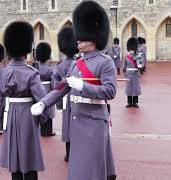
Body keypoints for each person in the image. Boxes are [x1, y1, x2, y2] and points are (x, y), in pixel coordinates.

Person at [31, 1, 117, 180]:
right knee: (78, 168)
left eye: (82, 37)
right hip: (77, 122)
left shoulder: (105, 62)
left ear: (92, 39)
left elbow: (110, 91)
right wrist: (43, 103)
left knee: (93, 169)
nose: (77, 40)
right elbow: (61, 88)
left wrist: (83, 86)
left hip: (94, 122)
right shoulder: (77, 64)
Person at [0, 21, 47, 180]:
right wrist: (42, 120)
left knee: (14, 157)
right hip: (28, 116)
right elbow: (42, 100)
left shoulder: (1, 73)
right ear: (27, 49)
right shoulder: (32, 73)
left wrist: (0, 122)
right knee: (29, 156)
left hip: (9, 116)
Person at [54, 26, 79, 162]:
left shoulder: (59, 66)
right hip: (78, 98)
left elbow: (56, 87)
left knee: (67, 125)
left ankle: (68, 154)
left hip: (64, 100)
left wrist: (58, 105)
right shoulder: (80, 63)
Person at [35, 42, 56, 137]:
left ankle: (40, 129)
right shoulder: (50, 69)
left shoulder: (34, 68)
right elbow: (53, 84)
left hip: (37, 89)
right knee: (48, 108)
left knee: (39, 108)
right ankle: (48, 131)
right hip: (47, 90)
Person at [123, 37, 142, 108]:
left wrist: (136, 58)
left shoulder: (137, 56)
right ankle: (129, 102)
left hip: (135, 73)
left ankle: (135, 102)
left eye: (132, 49)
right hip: (128, 74)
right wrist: (124, 74)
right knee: (129, 88)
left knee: (135, 88)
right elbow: (124, 66)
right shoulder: (126, 57)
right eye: (130, 49)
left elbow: (140, 65)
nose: (131, 51)